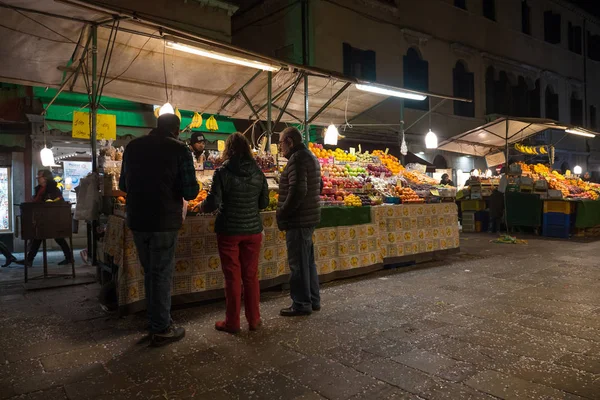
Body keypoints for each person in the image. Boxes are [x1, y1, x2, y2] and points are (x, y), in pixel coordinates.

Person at [119, 113, 199, 347]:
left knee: (150, 272)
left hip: (137, 219)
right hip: (164, 221)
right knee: (161, 273)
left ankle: (155, 320)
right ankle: (161, 327)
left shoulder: (132, 147)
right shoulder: (179, 149)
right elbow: (191, 192)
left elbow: (123, 185)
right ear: (176, 130)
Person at [200, 133, 269, 334]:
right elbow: (264, 203)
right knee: (251, 276)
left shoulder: (222, 172)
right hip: (253, 230)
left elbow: (213, 202)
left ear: (228, 149)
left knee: (232, 277)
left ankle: (232, 322)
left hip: (229, 230)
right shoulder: (258, 172)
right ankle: (254, 320)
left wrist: (202, 207)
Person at [276, 127, 322, 317]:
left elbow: (297, 190)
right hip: (308, 217)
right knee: (307, 262)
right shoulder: (309, 156)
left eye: (280, 143)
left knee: (298, 264)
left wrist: (283, 212)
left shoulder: (297, 159)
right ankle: (312, 299)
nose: (280, 148)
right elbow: (318, 185)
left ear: (290, 141)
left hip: (299, 218)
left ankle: (301, 303)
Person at [19, 170, 73, 266]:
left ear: (45, 178)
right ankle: (29, 260)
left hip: (52, 218)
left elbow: (58, 202)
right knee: (38, 237)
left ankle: (69, 258)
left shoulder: (54, 190)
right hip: (41, 217)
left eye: (39, 177)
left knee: (57, 238)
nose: (37, 179)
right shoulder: (39, 189)